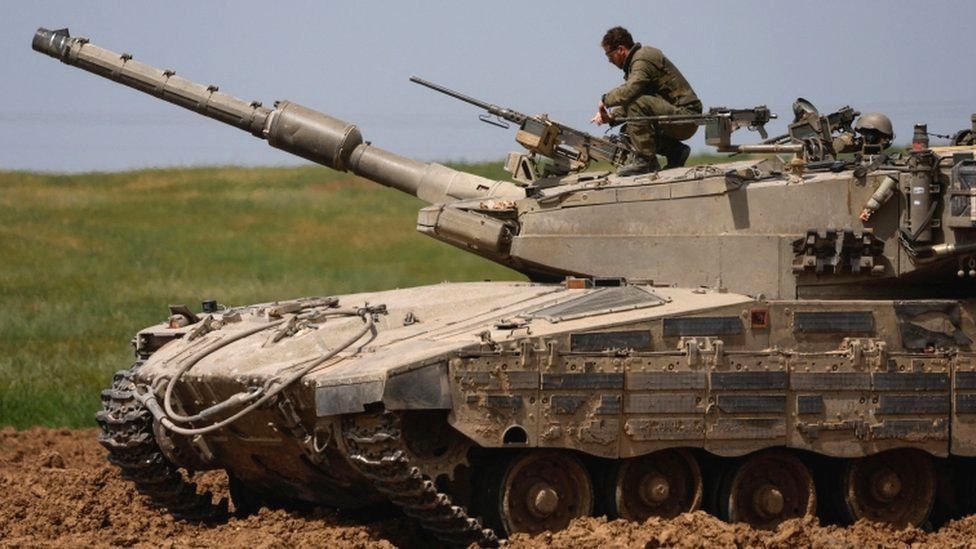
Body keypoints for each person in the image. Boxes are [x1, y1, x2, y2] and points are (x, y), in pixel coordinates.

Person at [591, 26, 703, 176]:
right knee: (628, 131)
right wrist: (612, 117)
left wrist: (605, 100)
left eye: (609, 56)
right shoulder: (636, 63)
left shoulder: (642, 58)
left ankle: (645, 161)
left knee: (636, 104)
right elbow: (637, 99)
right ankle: (675, 151)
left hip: (685, 118)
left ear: (620, 49)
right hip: (675, 118)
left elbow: (631, 92)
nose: (609, 61)